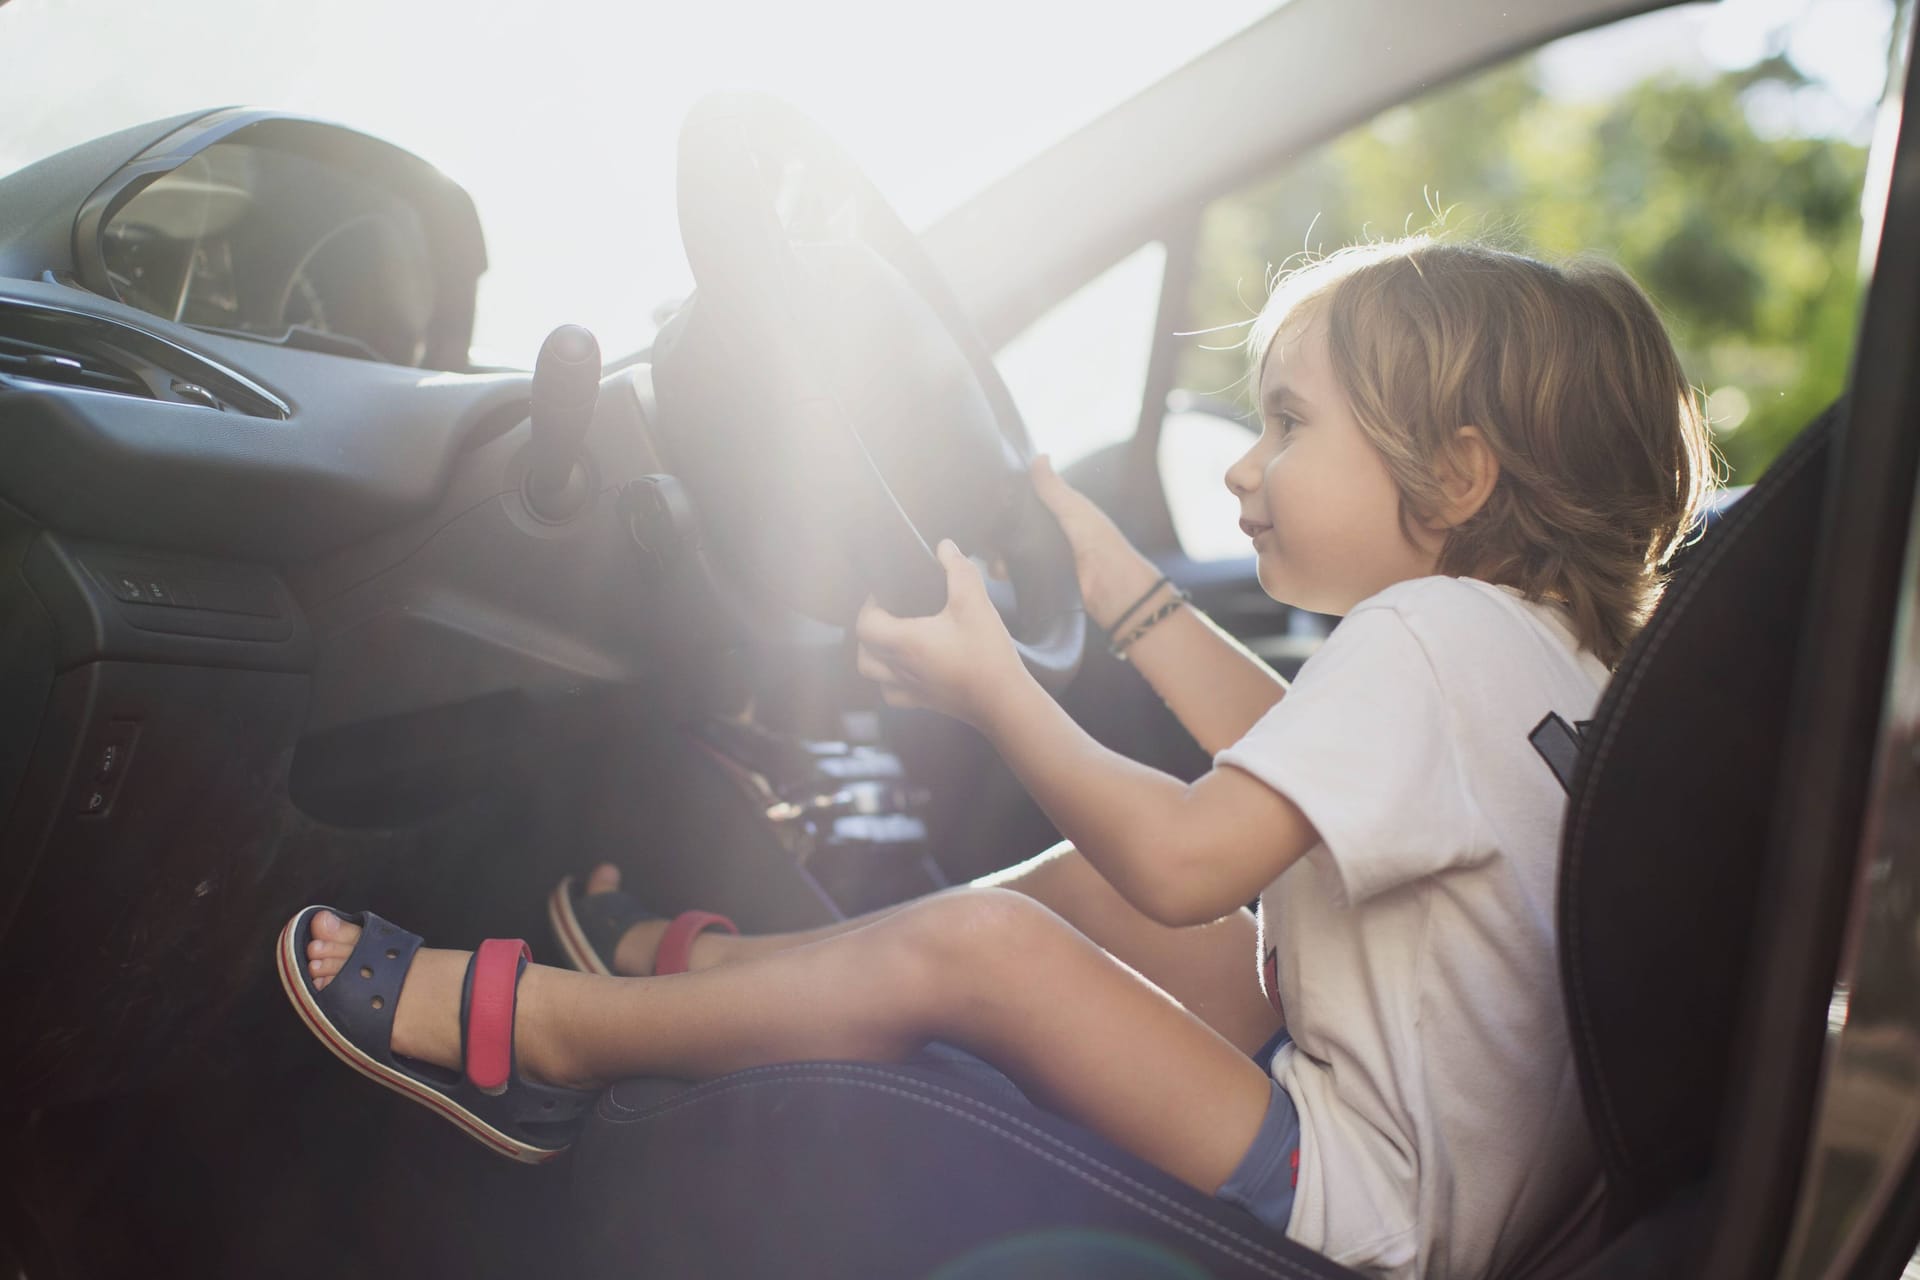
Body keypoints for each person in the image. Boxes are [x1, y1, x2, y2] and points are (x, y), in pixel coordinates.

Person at [280, 235, 1715, 1279]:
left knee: (990, 949)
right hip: (1457, 1204)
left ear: (1458, 476)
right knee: (1132, 922)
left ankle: (545, 1040)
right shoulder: (1550, 663)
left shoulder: (1422, 636)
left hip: (1358, 1213)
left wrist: (992, 695)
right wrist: (1117, 587)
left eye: (1289, 423)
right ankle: (718, 984)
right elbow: (1290, 750)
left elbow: (1176, 860)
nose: (1241, 463)